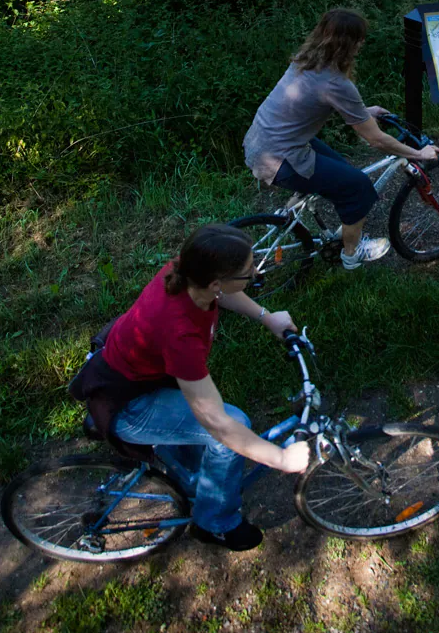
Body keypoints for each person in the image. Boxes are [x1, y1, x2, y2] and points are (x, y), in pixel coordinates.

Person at [73, 223, 309, 552]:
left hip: (137, 374)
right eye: (246, 271)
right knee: (231, 430)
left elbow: (225, 294)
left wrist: (266, 316)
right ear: (215, 282)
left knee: (210, 449)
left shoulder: (185, 271)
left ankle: (201, 483)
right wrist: (282, 459)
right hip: (129, 403)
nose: (255, 272)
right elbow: (218, 423)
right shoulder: (179, 332)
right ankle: (215, 523)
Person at [244, 8, 439, 269]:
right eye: (359, 39)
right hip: (280, 157)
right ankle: (351, 253)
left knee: (342, 173)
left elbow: (314, 103)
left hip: (261, 141)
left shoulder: (305, 60)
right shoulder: (337, 83)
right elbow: (377, 141)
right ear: (347, 43)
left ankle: (293, 215)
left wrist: (362, 113)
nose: (361, 44)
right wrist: (418, 153)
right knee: (358, 187)